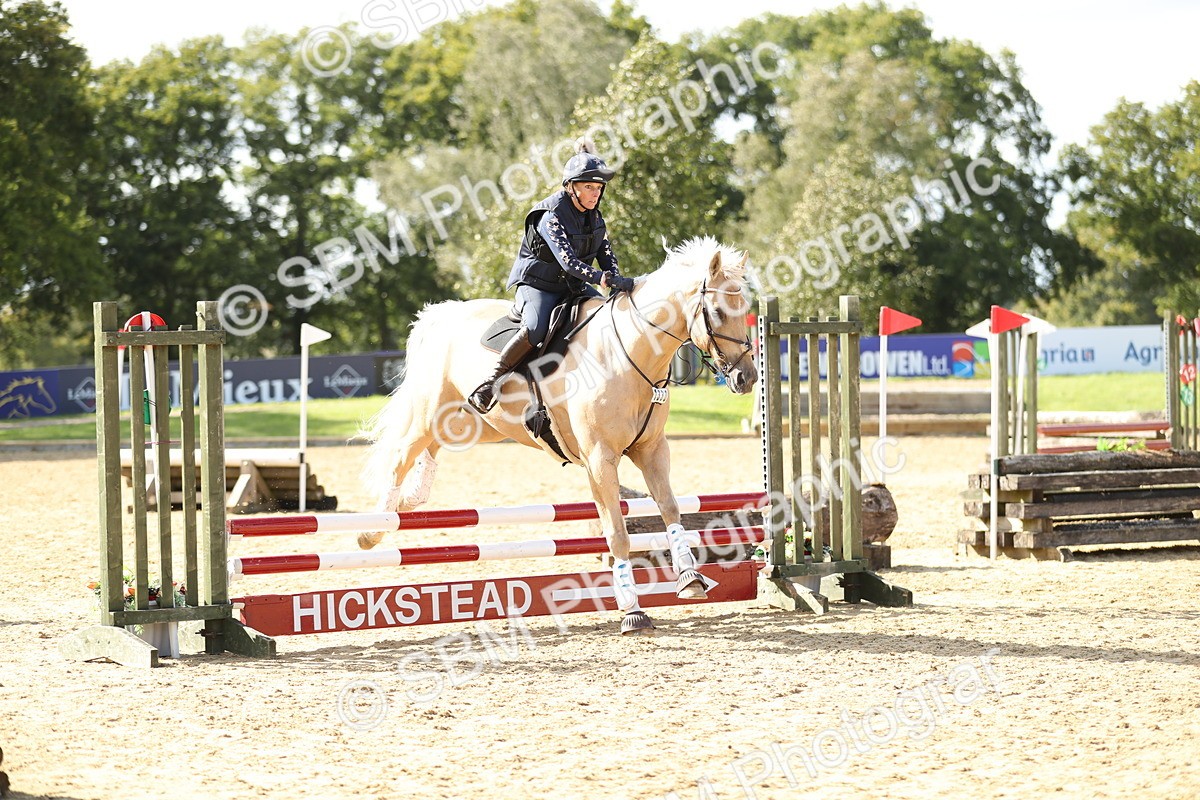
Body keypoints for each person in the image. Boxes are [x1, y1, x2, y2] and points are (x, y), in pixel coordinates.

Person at [468, 138, 635, 413]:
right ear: (571, 187)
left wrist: (617, 280)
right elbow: (568, 262)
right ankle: (489, 383)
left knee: (606, 316)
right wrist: (602, 279)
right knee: (535, 328)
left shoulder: (596, 218)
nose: (595, 193)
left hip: (572, 287)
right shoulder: (550, 215)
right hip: (538, 286)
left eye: (598, 188)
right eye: (588, 187)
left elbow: (607, 257)